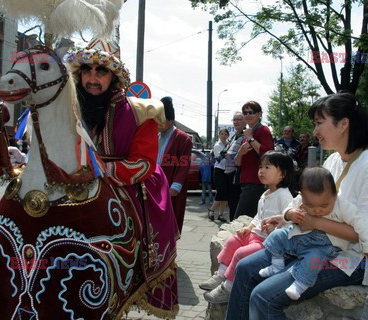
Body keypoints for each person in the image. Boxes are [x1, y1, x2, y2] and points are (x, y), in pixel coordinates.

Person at [226, 91, 368, 320]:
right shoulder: (334, 160)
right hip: (311, 243)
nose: (315, 131)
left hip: (352, 260)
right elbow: (307, 201)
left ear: (343, 124)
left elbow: (367, 236)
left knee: (263, 297)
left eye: (319, 123)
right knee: (245, 268)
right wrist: (285, 216)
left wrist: (314, 221)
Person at [70, 38, 179, 315]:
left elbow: (142, 164)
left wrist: (98, 172)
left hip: (132, 186)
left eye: (101, 72)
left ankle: (134, 277)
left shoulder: (141, 112)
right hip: (82, 182)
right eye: (87, 71)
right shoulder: (73, 110)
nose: (92, 79)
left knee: (138, 238)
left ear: (113, 77)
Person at [259, 167, 368, 301]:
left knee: (313, 260)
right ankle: (276, 264)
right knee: (276, 236)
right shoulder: (301, 199)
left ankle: (300, 284)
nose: (317, 211)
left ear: (335, 195)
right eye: (310, 206)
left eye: (324, 206)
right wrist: (289, 214)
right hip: (299, 237)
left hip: (323, 247)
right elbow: (288, 208)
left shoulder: (344, 207)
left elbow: (364, 226)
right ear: (301, 196)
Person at [199, 151, 294, 303]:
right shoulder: (266, 194)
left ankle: (228, 288)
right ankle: (221, 274)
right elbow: (258, 216)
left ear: (282, 174)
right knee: (232, 242)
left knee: (240, 254)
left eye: (267, 167)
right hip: (254, 235)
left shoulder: (284, 195)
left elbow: (289, 221)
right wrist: (249, 227)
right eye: (260, 167)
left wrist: (276, 229)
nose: (261, 171)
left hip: (266, 243)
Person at [157, 96, 193, 234]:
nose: (158, 124)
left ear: (170, 120)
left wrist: (176, 185)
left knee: (170, 221)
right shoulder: (156, 136)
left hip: (170, 185)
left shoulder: (182, 138)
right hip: (155, 184)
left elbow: (184, 165)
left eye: (161, 121)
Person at [234, 101, 274, 219]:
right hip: (246, 182)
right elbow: (238, 163)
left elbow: (268, 154)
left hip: (256, 183)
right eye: (245, 113)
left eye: (251, 112)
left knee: (240, 220)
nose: (248, 115)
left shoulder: (263, 130)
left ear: (259, 114)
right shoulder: (246, 134)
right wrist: (240, 153)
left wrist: (251, 138)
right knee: (249, 222)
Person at [224, 112, 247, 221]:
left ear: (245, 121)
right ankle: (232, 222)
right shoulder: (235, 136)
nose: (236, 122)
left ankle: (234, 223)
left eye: (239, 119)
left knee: (235, 201)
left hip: (237, 173)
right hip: (229, 172)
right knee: (231, 201)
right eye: (234, 120)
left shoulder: (245, 136)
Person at [208, 127, 230, 221]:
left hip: (228, 170)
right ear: (219, 135)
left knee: (225, 193)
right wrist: (227, 154)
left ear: (228, 135)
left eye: (225, 134)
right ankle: (212, 210)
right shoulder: (217, 145)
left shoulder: (229, 144)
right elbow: (218, 158)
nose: (223, 136)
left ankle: (221, 215)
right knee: (221, 192)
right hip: (219, 170)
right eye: (222, 134)